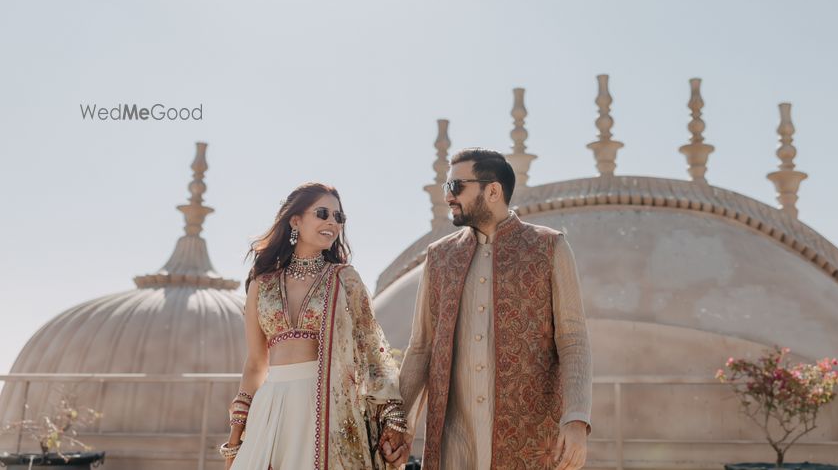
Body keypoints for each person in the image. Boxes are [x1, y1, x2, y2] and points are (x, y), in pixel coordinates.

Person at [398, 148, 593, 470]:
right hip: (454, 441)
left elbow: (573, 340)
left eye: (456, 186)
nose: (448, 197)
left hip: (528, 435)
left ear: (492, 190)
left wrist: (576, 419)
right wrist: (400, 424)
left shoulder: (549, 247)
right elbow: (421, 348)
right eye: (446, 187)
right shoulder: (440, 256)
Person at [222, 183, 410, 470]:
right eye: (323, 213)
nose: (332, 223)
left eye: (339, 217)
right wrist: (235, 439)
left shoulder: (345, 279)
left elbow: (373, 352)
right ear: (295, 220)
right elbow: (256, 364)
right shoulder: (263, 284)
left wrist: (394, 416)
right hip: (271, 407)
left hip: (329, 406)